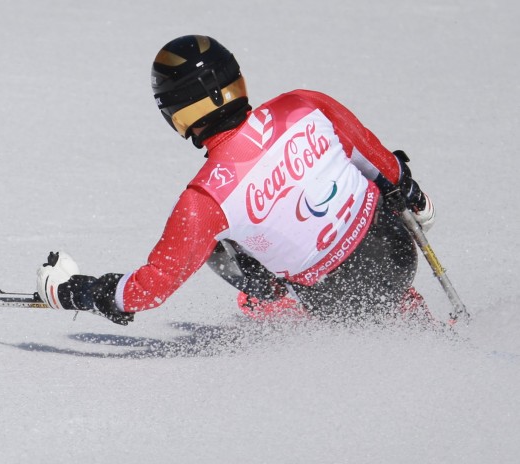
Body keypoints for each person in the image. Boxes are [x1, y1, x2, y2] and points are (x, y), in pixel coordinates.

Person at [36, 35, 436, 325]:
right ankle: (410, 314)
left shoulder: (204, 199)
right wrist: (412, 195)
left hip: (338, 301)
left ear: (177, 112)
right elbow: (383, 165)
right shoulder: (301, 104)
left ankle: (275, 304)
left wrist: (87, 292)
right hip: (400, 255)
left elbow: (154, 286)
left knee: (212, 241)